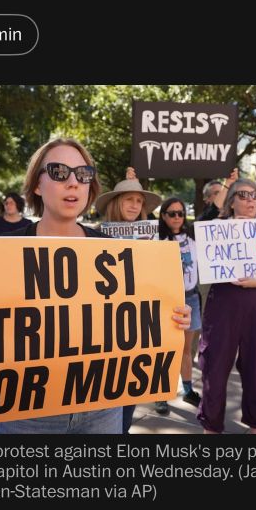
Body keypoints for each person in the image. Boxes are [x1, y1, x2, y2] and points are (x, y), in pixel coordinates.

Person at [0, 138, 190, 434]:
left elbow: (139, 317)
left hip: (102, 411)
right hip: (25, 415)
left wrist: (170, 319)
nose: (73, 183)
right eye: (58, 171)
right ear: (37, 185)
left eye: (83, 174)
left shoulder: (115, 252)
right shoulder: (0, 252)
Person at [197, 177, 256, 434]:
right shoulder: (217, 228)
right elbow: (204, 227)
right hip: (223, 307)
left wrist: (253, 282)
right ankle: (211, 427)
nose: (250, 201)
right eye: (243, 195)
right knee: (215, 367)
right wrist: (226, 185)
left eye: (255, 196)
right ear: (231, 202)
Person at [94, 168, 167, 429]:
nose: (135, 205)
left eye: (139, 201)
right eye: (129, 199)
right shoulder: (93, 235)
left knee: (127, 404)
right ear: (116, 202)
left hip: (137, 330)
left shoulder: (152, 237)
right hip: (102, 333)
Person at [159, 197, 201, 407]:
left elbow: (213, 212)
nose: (177, 217)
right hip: (166, 300)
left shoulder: (193, 236)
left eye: (180, 213)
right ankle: (160, 395)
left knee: (186, 349)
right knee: (165, 349)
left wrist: (227, 185)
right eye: (172, 213)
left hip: (191, 297)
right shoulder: (157, 239)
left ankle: (187, 389)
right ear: (163, 216)